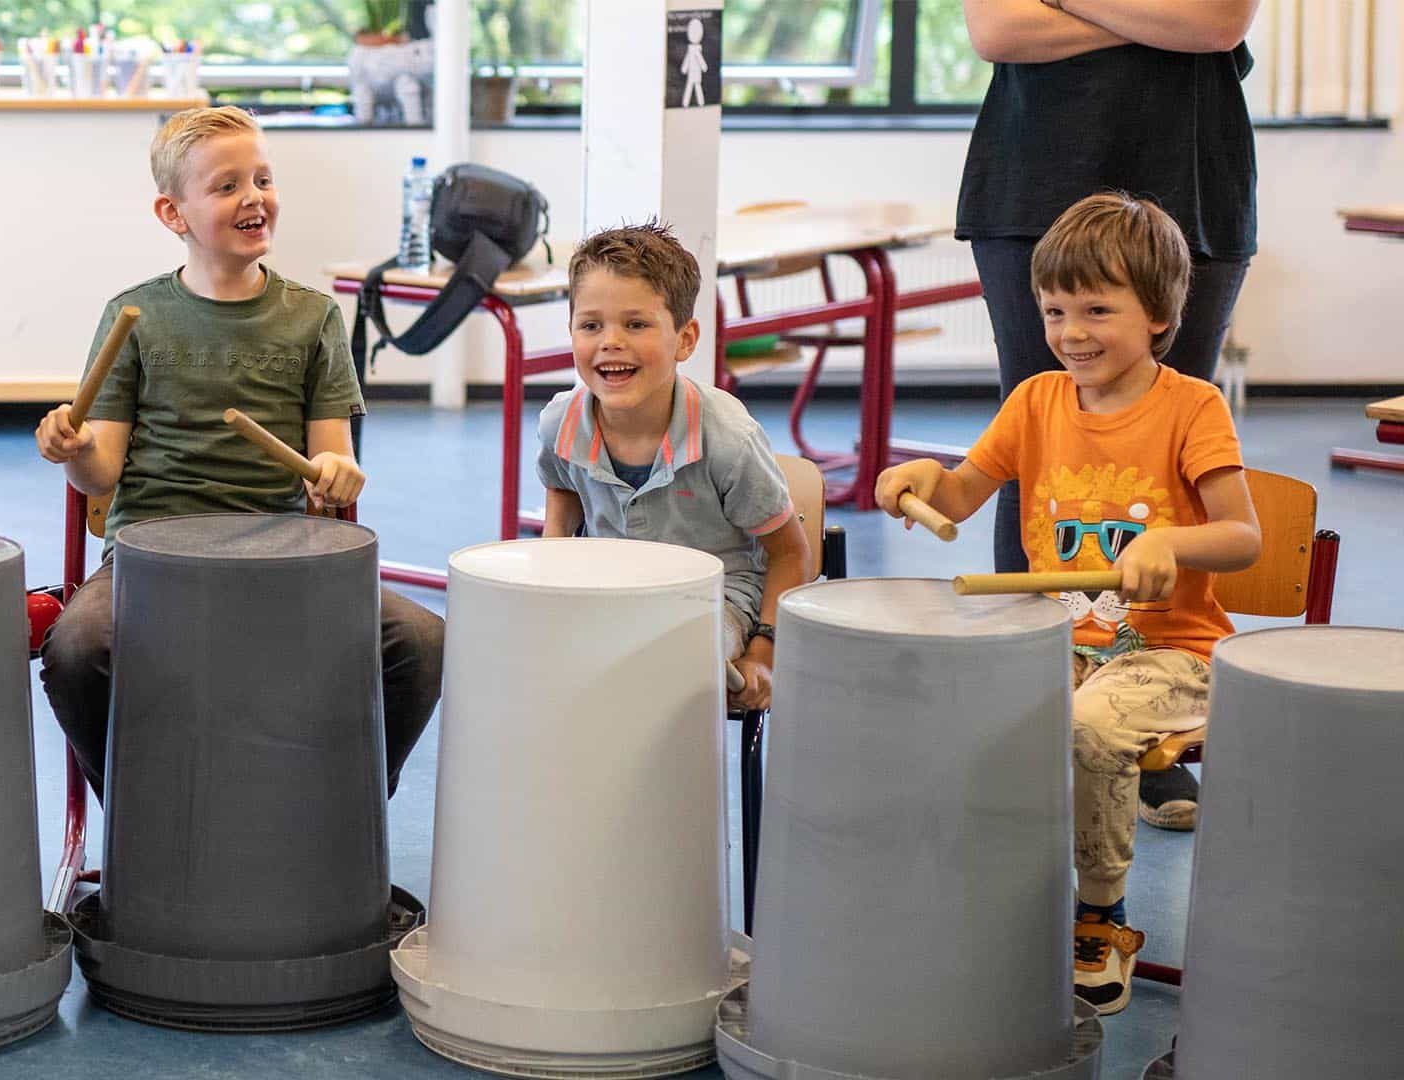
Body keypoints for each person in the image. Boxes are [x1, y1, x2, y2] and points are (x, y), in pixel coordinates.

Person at [876, 193, 1261, 1015]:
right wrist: (917, 480)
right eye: (1055, 310)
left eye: (1097, 309)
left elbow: (1243, 537)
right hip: (1058, 643)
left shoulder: (1193, 408)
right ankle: (987, 898)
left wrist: (1171, 544)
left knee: (1089, 725)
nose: (1072, 331)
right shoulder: (1037, 401)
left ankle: (1102, 914)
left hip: (1173, 656)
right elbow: (962, 490)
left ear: (1159, 314)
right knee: (946, 699)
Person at [34, 106, 444, 801]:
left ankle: (341, 816)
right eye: (227, 186)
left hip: (282, 558)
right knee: (75, 650)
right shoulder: (136, 315)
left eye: (262, 178)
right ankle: (142, 821)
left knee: (421, 641)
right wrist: (71, 451)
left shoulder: (314, 318)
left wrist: (333, 478)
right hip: (151, 557)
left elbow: (330, 464)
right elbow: (100, 468)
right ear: (174, 213)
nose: (254, 196)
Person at [958, 0, 1261, 826]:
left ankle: (1145, 724)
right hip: (1033, 180)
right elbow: (995, 31)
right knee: (1036, 449)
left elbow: (1217, 22)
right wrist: (1155, 15)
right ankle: (1029, 705)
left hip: (1191, 178)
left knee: (1175, 452)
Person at [536, 222, 810, 713]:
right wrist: (552, 578)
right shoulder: (560, 421)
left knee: (655, 662)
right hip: (611, 594)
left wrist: (764, 651)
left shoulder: (728, 438)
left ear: (685, 340)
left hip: (712, 603)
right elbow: (563, 491)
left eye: (636, 324)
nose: (610, 342)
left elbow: (790, 552)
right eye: (591, 325)